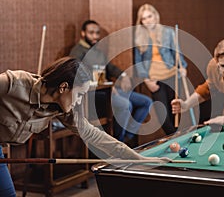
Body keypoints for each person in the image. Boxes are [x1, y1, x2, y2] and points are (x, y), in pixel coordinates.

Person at [0, 57, 169, 197]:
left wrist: (141, 160)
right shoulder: (14, 83)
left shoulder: (63, 111)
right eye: (79, 94)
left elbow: (97, 137)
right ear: (63, 87)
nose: (79, 101)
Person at [69, 20, 153, 147]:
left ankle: (126, 137)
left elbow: (110, 67)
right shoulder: (77, 52)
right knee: (126, 105)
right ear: (83, 33)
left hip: (109, 90)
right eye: (91, 33)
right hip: (93, 95)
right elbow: (76, 76)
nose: (95, 36)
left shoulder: (98, 51)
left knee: (146, 102)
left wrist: (124, 76)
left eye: (97, 33)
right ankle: (117, 144)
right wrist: (106, 86)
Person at [134, 4, 188, 135]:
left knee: (173, 111)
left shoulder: (168, 32)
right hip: (154, 79)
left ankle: (175, 139)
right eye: (144, 18)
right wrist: (147, 81)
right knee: (162, 114)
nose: (147, 21)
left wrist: (183, 67)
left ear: (155, 16)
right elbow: (138, 62)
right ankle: (173, 137)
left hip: (171, 74)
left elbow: (177, 52)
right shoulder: (139, 36)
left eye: (149, 16)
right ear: (140, 21)